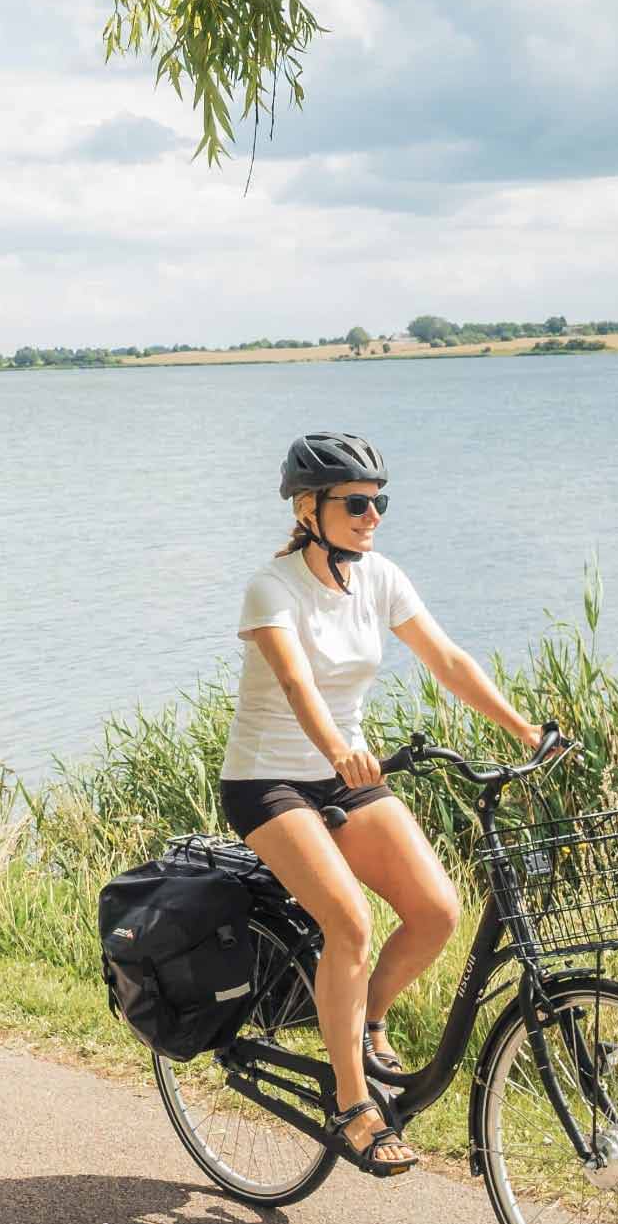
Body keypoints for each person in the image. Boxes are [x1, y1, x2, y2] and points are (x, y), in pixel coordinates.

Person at [218, 431, 551, 1177]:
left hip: (347, 773)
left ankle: (363, 1018)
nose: (373, 517)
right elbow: (299, 684)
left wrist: (522, 727)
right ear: (309, 509)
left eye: (380, 502)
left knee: (436, 911)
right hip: (269, 779)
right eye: (358, 504)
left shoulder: (380, 577)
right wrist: (336, 746)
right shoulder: (271, 589)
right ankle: (351, 1103)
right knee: (350, 921)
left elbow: (448, 659)